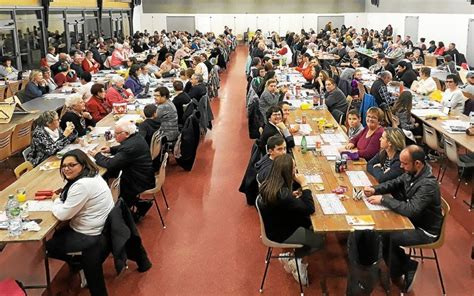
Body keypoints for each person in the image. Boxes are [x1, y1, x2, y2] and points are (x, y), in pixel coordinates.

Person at [364, 145, 443, 293]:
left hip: (425, 230)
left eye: (405, 163)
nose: (401, 166)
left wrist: (383, 200)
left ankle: (403, 268)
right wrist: (375, 189)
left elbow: (411, 210)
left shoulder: (428, 184)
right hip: (414, 221)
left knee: (387, 235)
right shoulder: (411, 173)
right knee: (383, 233)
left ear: (418, 164)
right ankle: (404, 266)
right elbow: (395, 183)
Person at [46, 149, 114, 296]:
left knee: (49, 247)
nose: (66, 169)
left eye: (72, 165)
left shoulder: (82, 185)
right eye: (64, 166)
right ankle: (79, 264)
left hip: (89, 233)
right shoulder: (93, 175)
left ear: (83, 165)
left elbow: (63, 214)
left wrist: (56, 200)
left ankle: (79, 264)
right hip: (101, 227)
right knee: (59, 232)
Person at [257, 154, 324, 285]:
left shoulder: (270, 184)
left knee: (308, 224)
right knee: (319, 240)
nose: (296, 170)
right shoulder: (284, 195)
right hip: (281, 233)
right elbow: (310, 209)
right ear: (287, 172)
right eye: (294, 168)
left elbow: (284, 202)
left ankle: (290, 257)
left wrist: (292, 196)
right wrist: (304, 184)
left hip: (274, 224)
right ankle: (298, 262)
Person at [90, 121, 155, 218]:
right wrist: (111, 149)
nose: (114, 135)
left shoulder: (129, 148)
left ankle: (126, 214)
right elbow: (123, 147)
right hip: (144, 175)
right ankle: (141, 204)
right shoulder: (136, 137)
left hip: (138, 181)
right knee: (112, 175)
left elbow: (110, 164)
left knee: (109, 177)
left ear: (126, 134)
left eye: (117, 133)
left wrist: (97, 155)